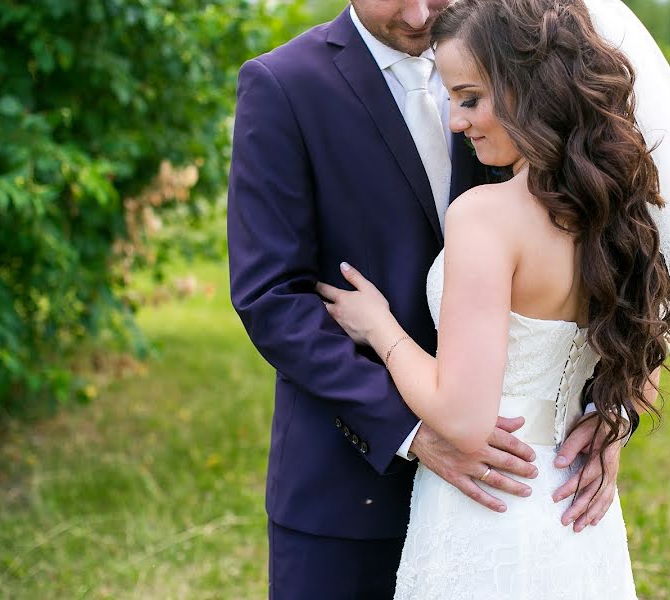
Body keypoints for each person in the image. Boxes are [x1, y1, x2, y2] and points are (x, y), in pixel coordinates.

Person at [317, 0, 670, 597]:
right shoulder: (619, 213)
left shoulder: (485, 217)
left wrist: (380, 327)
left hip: (487, 513)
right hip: (577, 511)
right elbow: (641, 359)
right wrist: (611, 421)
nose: (458, 121)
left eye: (470, 98)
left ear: (528, 88)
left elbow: (461, 417)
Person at [226, 0, 625, 596]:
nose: (420, 13)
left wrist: (606, 413)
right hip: (347, 489)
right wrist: (414, 429)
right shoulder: (284, 86)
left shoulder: (519, 58)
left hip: (520, 496)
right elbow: (271, 296)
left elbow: (609, 249)